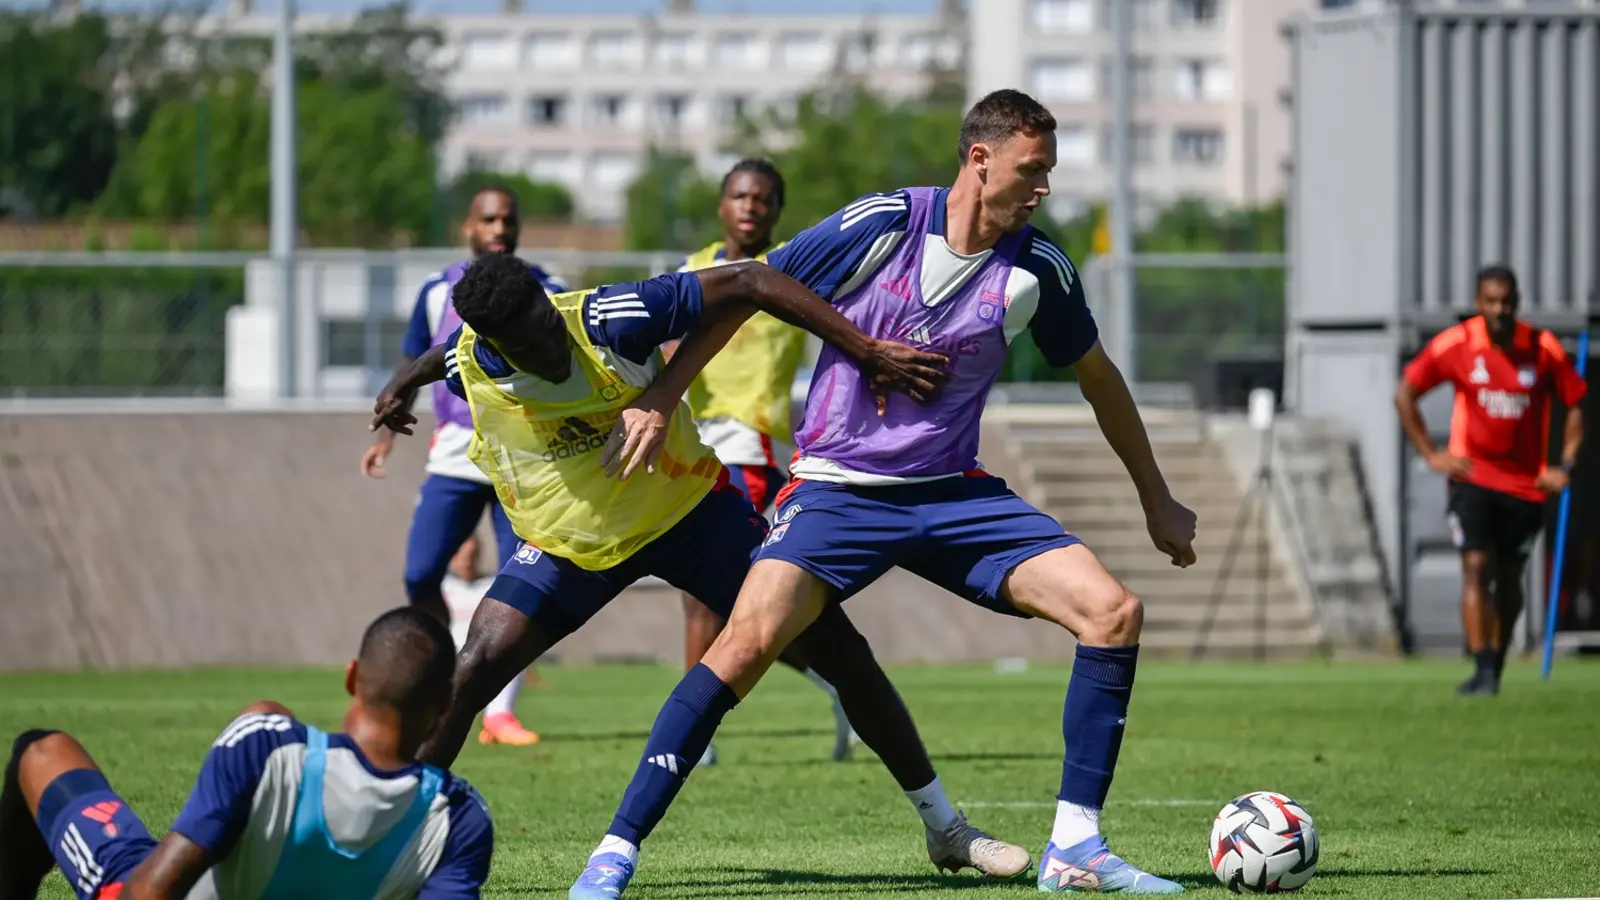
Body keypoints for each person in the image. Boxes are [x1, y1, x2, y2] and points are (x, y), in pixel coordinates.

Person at [575, 89, 1199, 897]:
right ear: (980, 158)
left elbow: (1098, 377)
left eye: (1048, 172)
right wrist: (662, 395)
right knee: (740, 645)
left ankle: (1075, 847)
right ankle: (615, 851)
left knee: (1113, 612)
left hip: (953, 496)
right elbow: (753, 287)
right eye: (1031, 169)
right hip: (835, 492)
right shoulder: (883, 223)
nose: (1043, 188)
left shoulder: (1038, 267)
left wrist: (1157, 497)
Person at [367, 254, 1031, 894]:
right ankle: (400, 847)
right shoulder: (471, 362)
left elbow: (751, 280)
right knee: (472, 667)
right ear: (496, 343)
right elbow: (443, 354)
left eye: (547, 323)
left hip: (691, 515)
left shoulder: (609, 318)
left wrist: (865, 349)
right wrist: (403, 379)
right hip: (574, 542)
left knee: (839, 647)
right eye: (530, 342)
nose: (551, 345)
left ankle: (945, 826)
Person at [0, 607, 494, 900]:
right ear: (445, 706)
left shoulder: (266, 748)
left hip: (159, 882)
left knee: (41, 749)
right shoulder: (461, 818)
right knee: (267, 709)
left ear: (351, 677)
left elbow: (149, 893)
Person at [670, 157, 855, 766]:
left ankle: (694, 736)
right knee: (729, 600)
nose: (750, 206)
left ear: (776, 211)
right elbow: (664, 345)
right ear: (722, 205)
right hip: (693, 449)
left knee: (712, 597)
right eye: (740, 196)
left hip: (750, 450)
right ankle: (840, 684)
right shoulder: (693, 272)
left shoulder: (793, 269)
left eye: (763, 199)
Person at [362, 185, 562, 747]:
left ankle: (500, 712)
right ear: (468, 227)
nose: (500, 227)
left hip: (521, 456)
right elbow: (412, 358)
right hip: (455, 451)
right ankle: (443, 682)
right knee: (421, 573)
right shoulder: (435, 291)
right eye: (488, 218)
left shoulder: (549, 288)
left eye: (509, 218)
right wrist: (388, 430)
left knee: (522, 586)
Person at [1395, 264, 1587, 696]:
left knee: (1510, 575)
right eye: (1491, 301)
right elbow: (1404, 392)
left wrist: (1566, 464)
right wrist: (1431, 453)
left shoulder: (1542, 348)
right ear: (1478, 303)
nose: (1499, 309)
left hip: (1525, 485)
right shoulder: (1457, 344)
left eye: (1506, 302)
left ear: (1516, 303)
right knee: (1475, 565)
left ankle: (1495, 661)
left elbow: (1575, 402)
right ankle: (1481, 666)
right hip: (1473, 478)